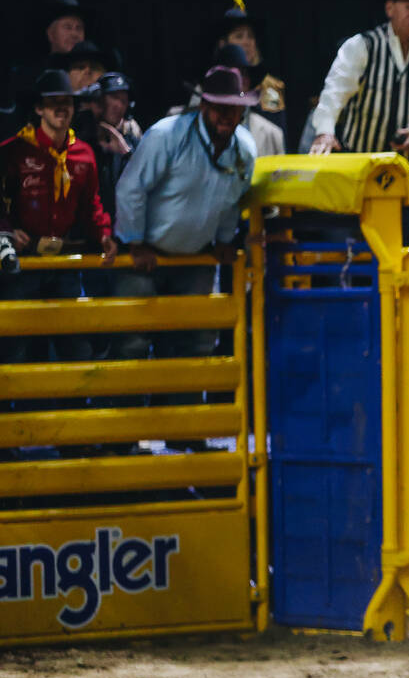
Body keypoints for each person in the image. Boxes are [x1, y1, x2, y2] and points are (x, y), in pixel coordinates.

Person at [109, 65, 257, 450]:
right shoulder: (166, 135)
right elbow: (131, 189)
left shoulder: (245, 149)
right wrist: (135, 241)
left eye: (233, 107)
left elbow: (232, 200)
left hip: (195, 257)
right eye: (219, 106)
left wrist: (225, 239)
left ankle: (186, 430)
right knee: (132, 344)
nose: (226, 115)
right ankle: (122, 435)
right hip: (146, 254)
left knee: (196, 344)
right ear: (204, 105)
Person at [309, 0, 409, 246]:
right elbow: (334, 93)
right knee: (348, 239)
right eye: (408, 7)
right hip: (358, 160)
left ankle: (404, 287)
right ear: (390, 9)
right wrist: (326, 130)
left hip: (407, 164)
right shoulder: (361, 45)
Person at [0, 69, 116, 365]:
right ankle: (17, 412)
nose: (62, 109)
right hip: (23, 262)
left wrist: (103, 233)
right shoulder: (13, 151)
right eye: (54, 102)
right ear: (39, 108)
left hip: (64, 258)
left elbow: (92, 204)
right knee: (16, 347)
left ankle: (74, 408)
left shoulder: (83, 154)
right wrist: (9, 230)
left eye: (68, 102)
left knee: (74, 344)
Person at [216, 7, 287, 136]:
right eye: (239, 36)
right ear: (223, 44)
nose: (247, 42)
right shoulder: (209, 83)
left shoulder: (270, 87)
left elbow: (277, 136)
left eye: (251, 36)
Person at [93, 72, 143, 221]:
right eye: (113, 97)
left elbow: (144, 183)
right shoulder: (84, 135)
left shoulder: (134, 139)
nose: (118, 105)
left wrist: (126, 152)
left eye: (123, 100)